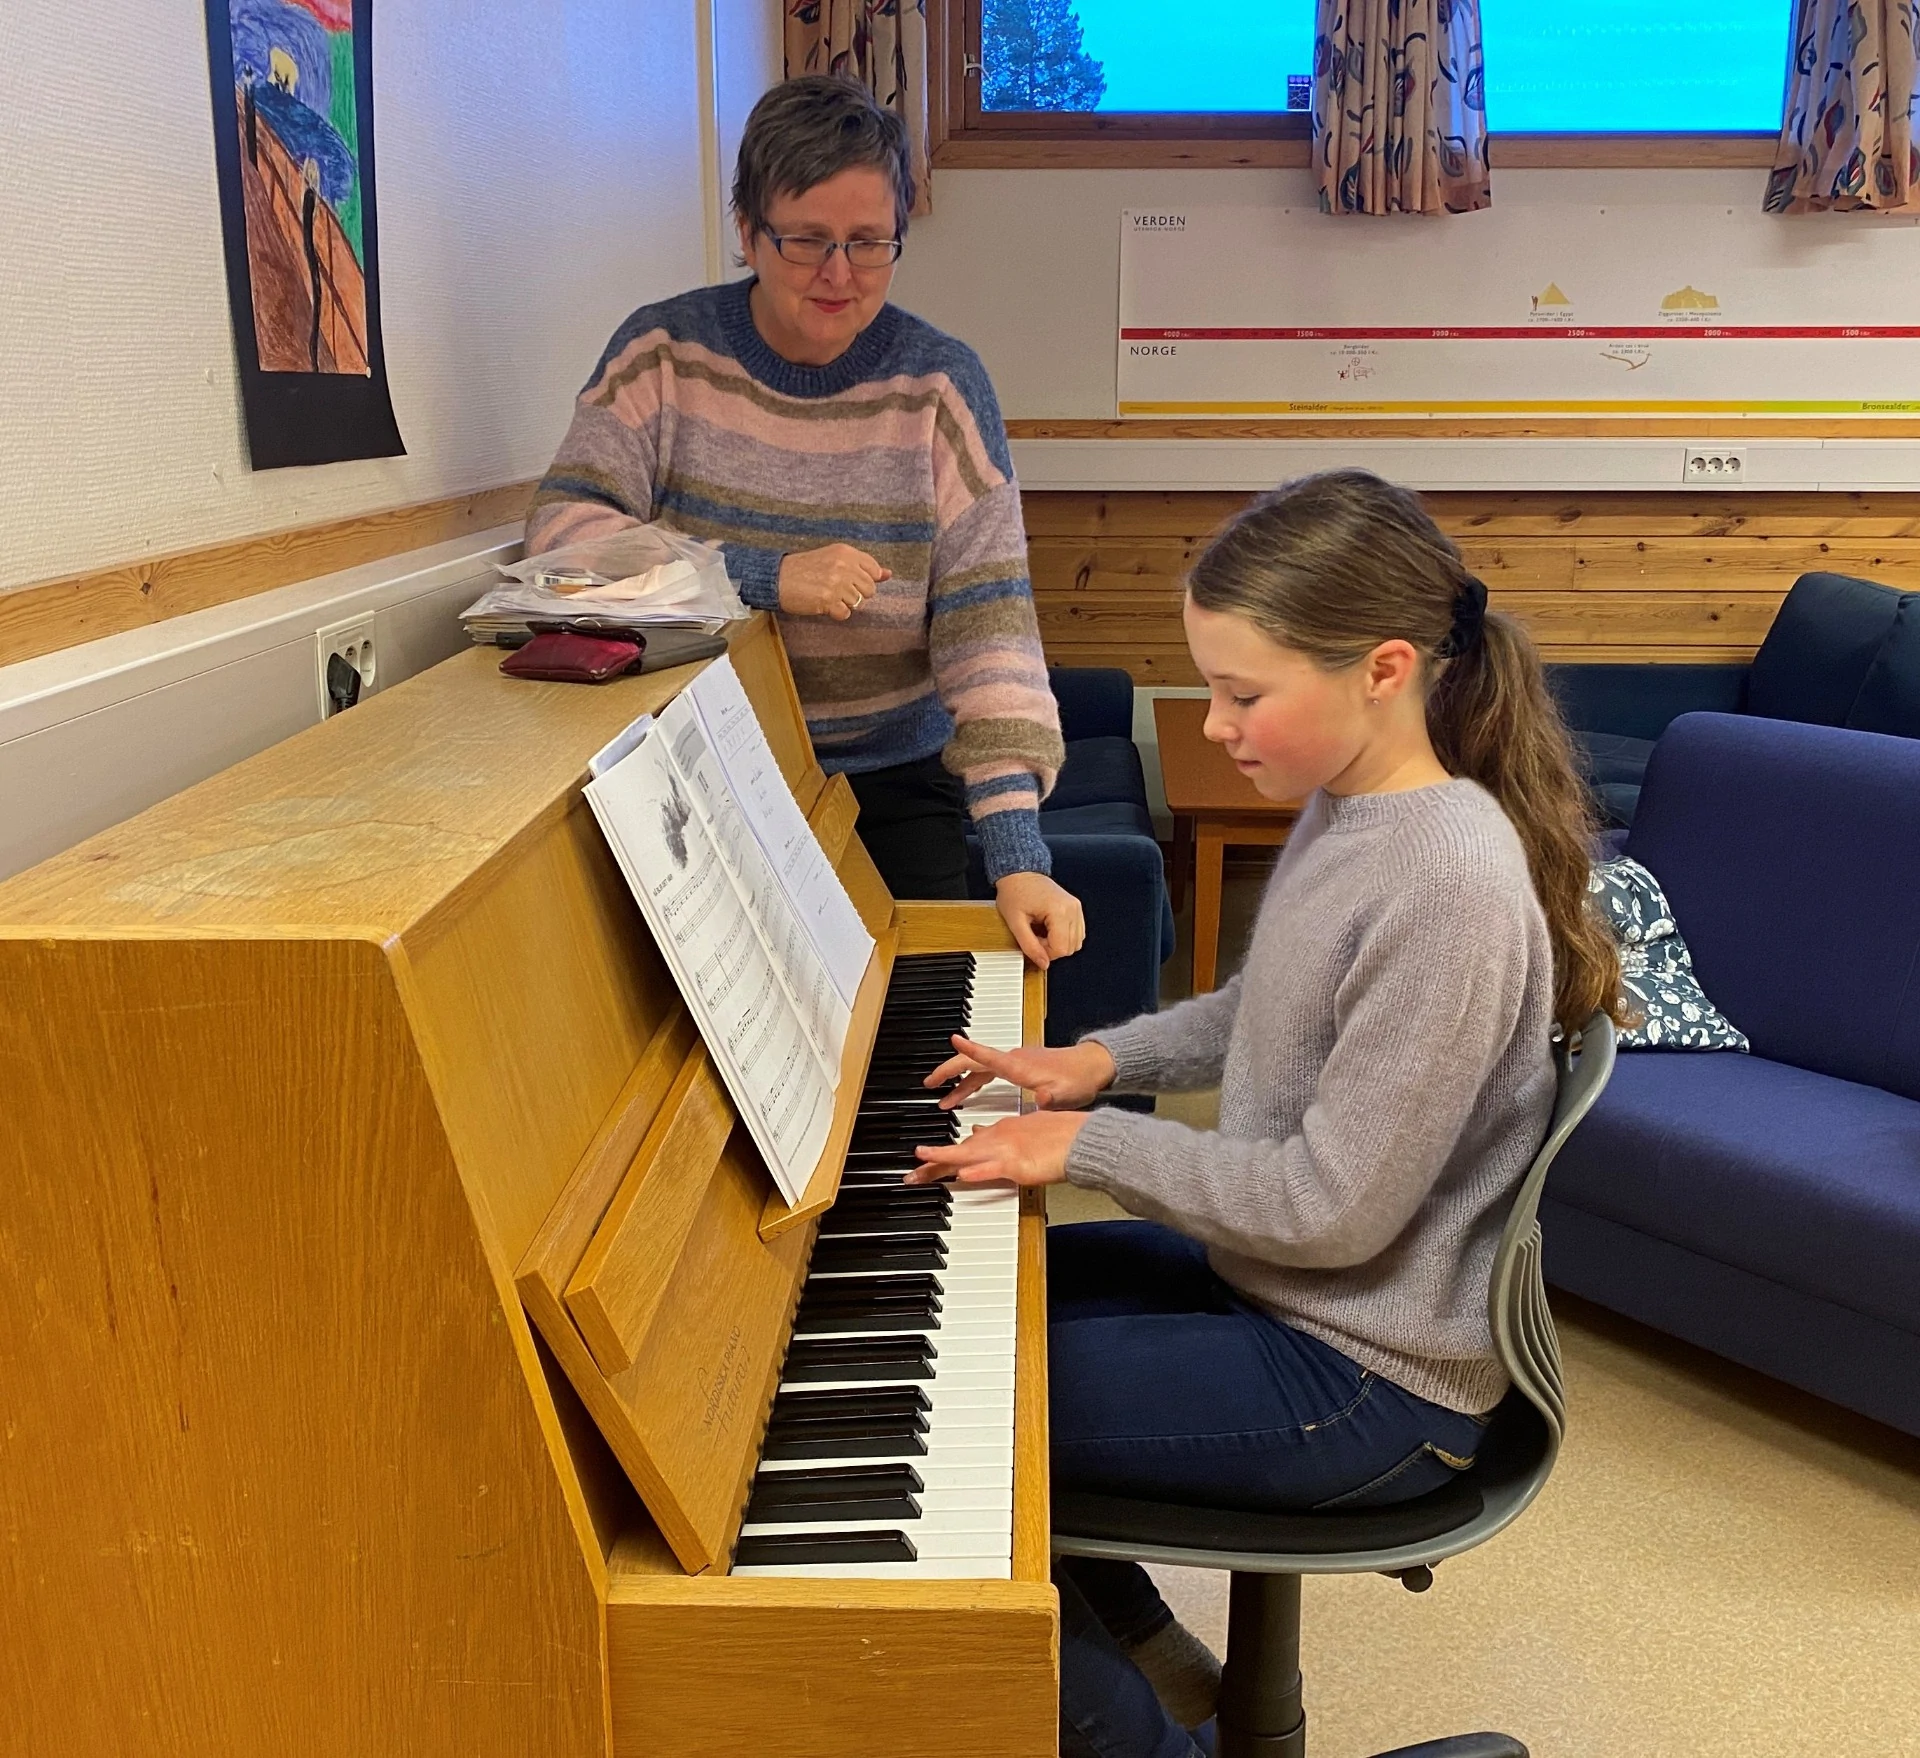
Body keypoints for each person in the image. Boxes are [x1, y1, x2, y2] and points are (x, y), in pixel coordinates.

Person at [908, 470, 1625, 1758]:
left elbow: (1332, 1208)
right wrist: (1092, 1062)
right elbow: (1260, 1010)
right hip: (1287, 1289)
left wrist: (1094, 1143)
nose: (1218, 722)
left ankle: (1137, 1715)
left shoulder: (1447, 881)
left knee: (964, 1436)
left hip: (1368, 1374)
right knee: (970, 1313)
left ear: (1384, 670)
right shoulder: (1361, 808)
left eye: (1245, 693)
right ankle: (1134, 1644)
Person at [527, 75, 1083, 968]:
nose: (840, 275)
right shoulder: (662, 354)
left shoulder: (941, 384)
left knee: (912, 1045)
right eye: (807, 242)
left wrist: (1020, 857)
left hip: (890, 787)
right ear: (748, 231)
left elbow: (991, 634)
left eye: (869, 243)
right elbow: (560, 543)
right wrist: (759, 577)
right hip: (689, 783)